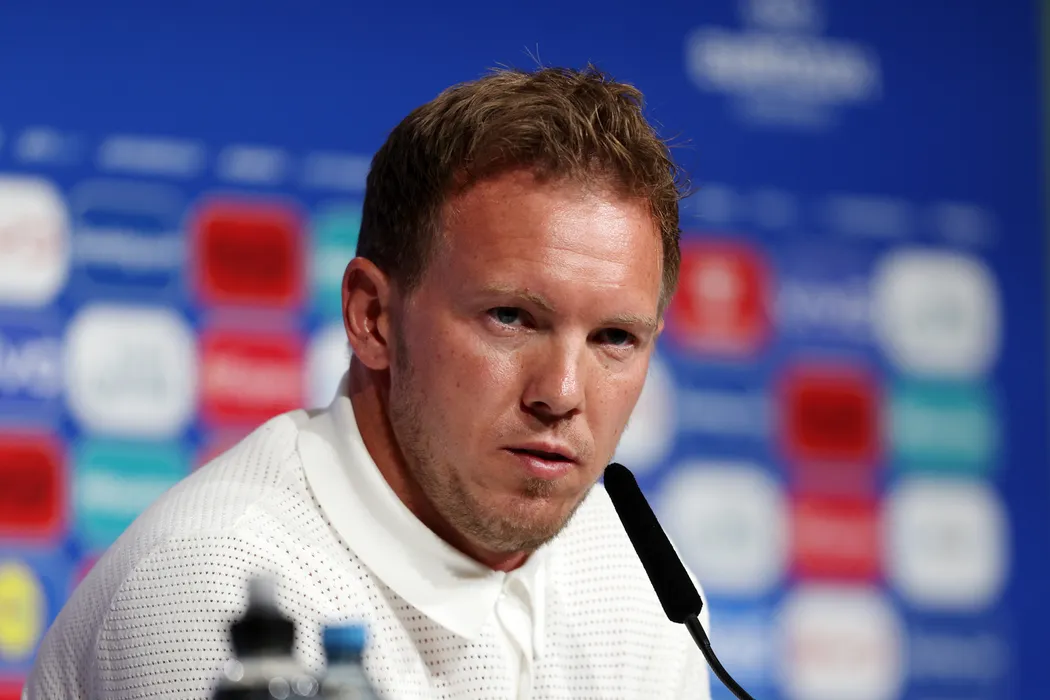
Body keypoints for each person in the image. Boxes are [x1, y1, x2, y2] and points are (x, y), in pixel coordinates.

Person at [26, 65, 711, 699]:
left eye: (614, 338)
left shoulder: (645, 585)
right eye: (510, 317)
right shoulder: (217, 587)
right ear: (373, 318)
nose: (561, 393)